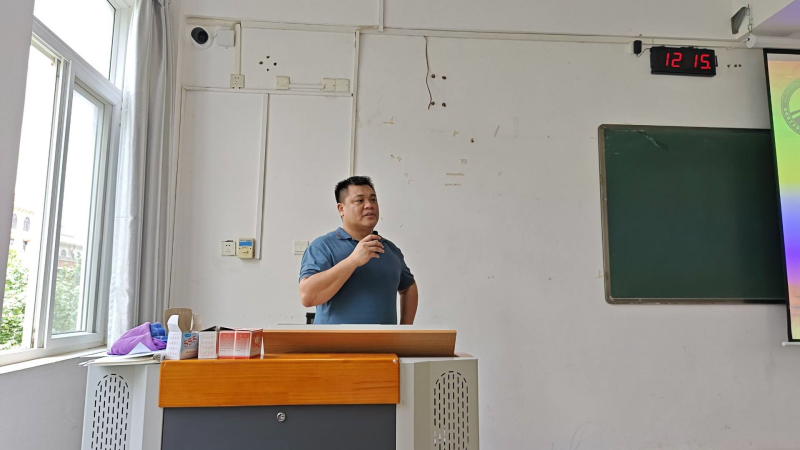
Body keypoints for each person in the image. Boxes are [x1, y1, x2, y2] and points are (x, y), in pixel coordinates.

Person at [298, 176, 418, 324]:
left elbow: (408, 286)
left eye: (373, 199)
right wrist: (353, 261)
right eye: (360, 200)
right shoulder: (322, 246)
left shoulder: (390, 249)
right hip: (334, 340)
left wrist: (405, 329)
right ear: (341, 209)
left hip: (385, 340)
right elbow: (307, 297)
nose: (369, 205)